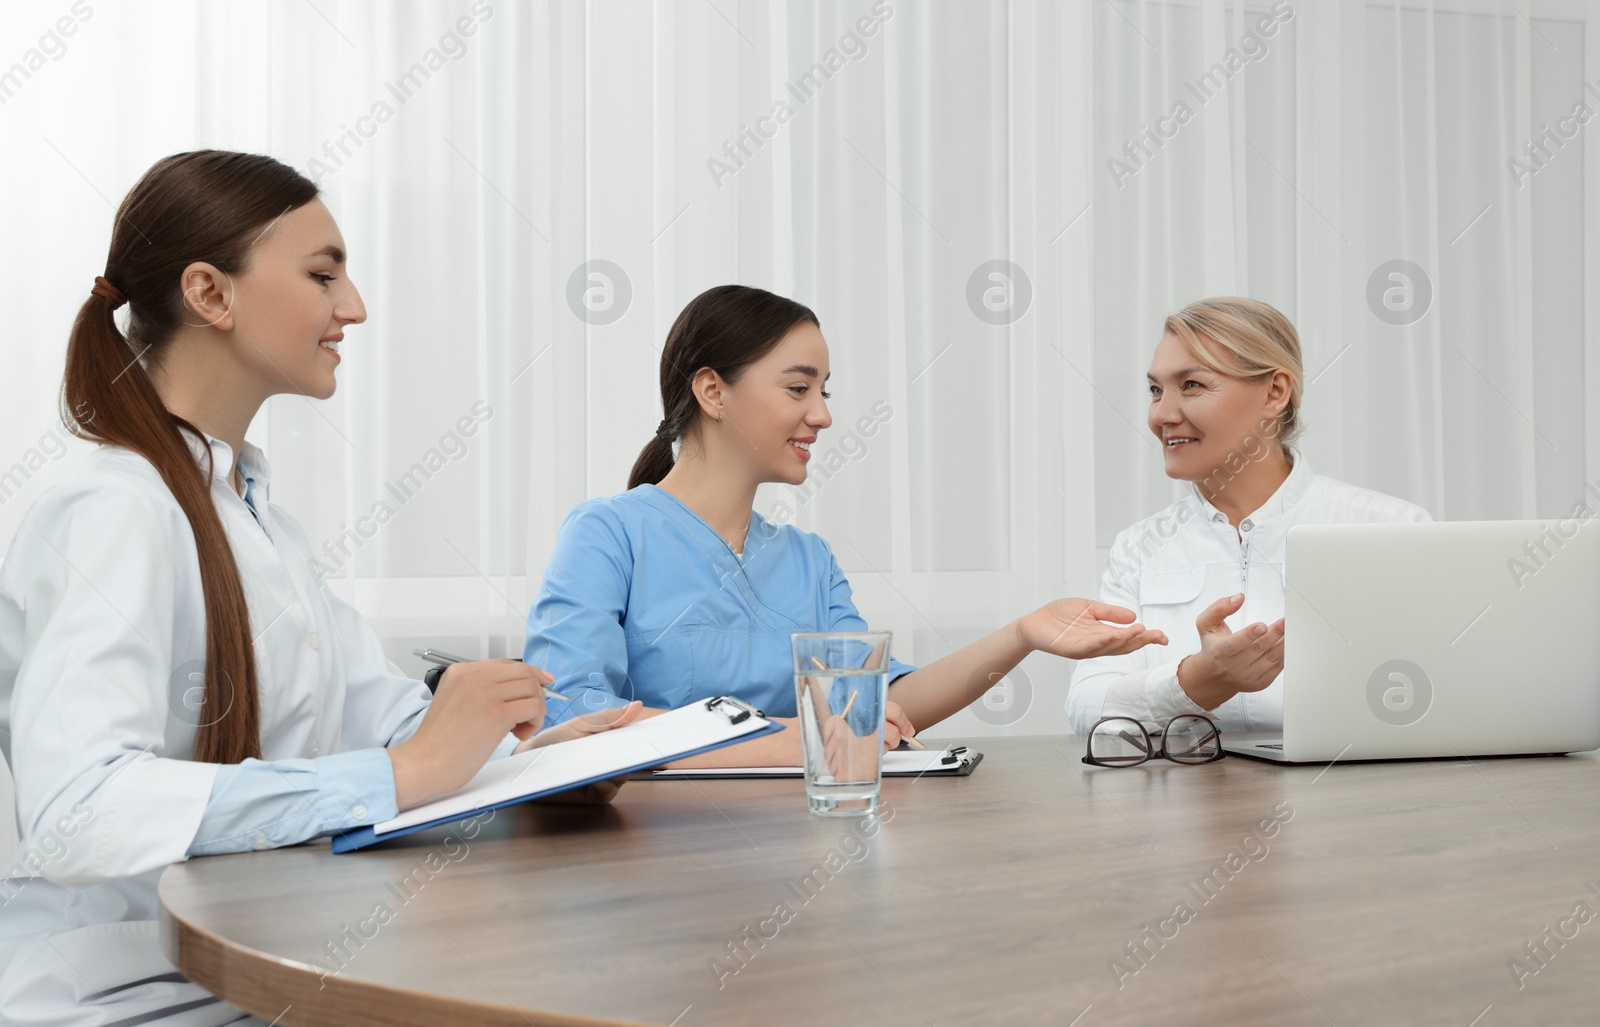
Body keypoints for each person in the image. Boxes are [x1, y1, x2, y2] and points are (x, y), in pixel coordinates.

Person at [0, 151, 639, 1026]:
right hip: (123, 992)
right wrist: (401, 773)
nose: (354, 306)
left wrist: (542, 759)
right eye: (322, 273)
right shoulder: (113, 511)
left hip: (252, 969)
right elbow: (80, 809)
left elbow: (379, 719)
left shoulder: (258, 520)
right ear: (210, 293)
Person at [525, 285, 1167, 764]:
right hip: (651, 863)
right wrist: (805, 740)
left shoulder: (809, 560)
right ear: (713, 392)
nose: (823, 417)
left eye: (824, 392)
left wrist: (1023, 634)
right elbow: (580, 724)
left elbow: (877, 704)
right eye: (799, 389)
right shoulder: (608, 535)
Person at [1065, 297, 1431, 735]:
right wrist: (1195, 682)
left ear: (1275, 392)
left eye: (1193, 385)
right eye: (1155, 390)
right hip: (1185, 802)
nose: (1161, 414)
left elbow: (1434, 697)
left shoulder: (1391, 530)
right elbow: (1088, 708)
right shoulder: (1139, 548)